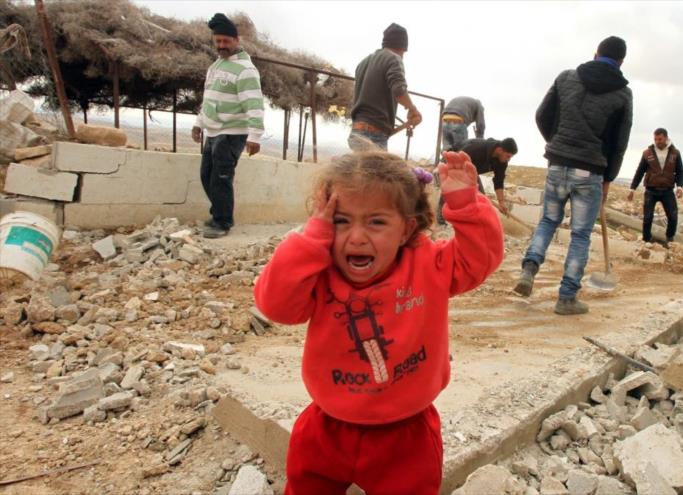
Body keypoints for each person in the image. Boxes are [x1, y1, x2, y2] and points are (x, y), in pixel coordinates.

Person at [253, 150, 503, 494]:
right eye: (341, 221)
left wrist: (465, 206)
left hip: (407, 437)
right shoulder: (319, 270)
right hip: (326, 428)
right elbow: (276, 305)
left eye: (376, 222)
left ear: (406, 229)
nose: (356, 237)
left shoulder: (429, 265)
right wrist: (312, 238)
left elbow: (480, 259)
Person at [514, 36, 633, 315]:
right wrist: (608, 178)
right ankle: (566, 297)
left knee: (547, 220)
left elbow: (542, 115)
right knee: (580, 235)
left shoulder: (566, 77)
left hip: (557, 164)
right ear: (621, 63)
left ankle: (529, 269)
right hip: (590, 171)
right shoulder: (623, 94)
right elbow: (620, 142)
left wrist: (557, 144)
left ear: (595, 53)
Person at [192, 13, 264, 239]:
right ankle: (218, 214)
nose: (222, 45)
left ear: (236, 41)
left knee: (220, 178)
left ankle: (223, 222)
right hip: (213, 132)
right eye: (218, 41)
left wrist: (255, 136)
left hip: (232, 134)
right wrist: (198, 123)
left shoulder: (245, 70)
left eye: (226, 41)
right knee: (206, 176)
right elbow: (209, 99)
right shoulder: (216, 66)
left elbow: (254, 104)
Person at [348, 23, 422, 151]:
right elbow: (399, 90)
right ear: (403, 47)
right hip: (373, 134)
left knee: (361, 171)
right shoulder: (394, 59)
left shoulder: (363, 63)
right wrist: (413, 109)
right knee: (376, 171)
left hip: (356, 131)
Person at [437, 137, 517, 224]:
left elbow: (499, 181)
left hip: (471, 171)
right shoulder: (477, 148)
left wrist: (501, 202)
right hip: (453, 162)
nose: (509, 159)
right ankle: (441, 219)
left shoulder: (502, 162)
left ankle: (476, 222)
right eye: (508, 156)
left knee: (482, 198)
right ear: (500, 150)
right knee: (451, 188)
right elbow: (457, 159)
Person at [627, 128, 683, 245]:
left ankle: (669, 239)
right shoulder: (647, 153)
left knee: (673, 217)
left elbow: (680, 171)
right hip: (651, 190)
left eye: (660, 139)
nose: (657, 141)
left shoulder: (675, 153)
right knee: (648, 217)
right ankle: (646, 239)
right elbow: (640, 171)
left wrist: (680, 187)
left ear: (666, 138)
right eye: (655, 139)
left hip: (667, 190)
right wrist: (632, 188)